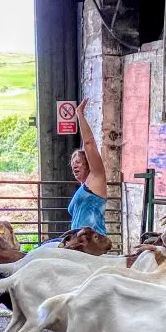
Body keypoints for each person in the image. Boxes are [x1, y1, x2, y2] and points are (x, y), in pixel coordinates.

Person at [67, 98, 108, 235]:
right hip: (77, 241)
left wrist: (80, 114)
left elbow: (89, 143)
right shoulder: (83, 187)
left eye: (78, 161)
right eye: (73, 163)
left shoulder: (97, 177)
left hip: (93, 242)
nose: (74, 165)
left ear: (88, 164)